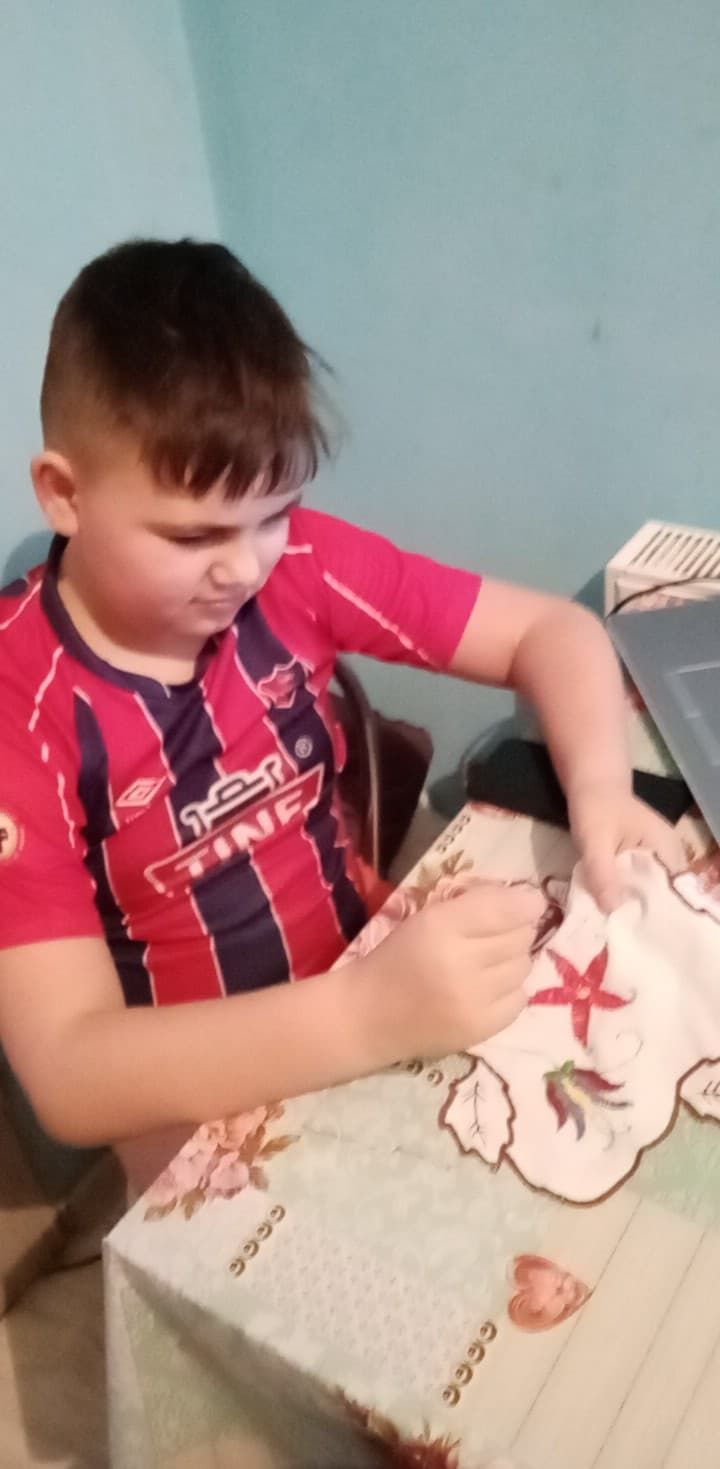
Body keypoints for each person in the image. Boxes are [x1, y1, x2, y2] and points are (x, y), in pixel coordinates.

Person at [0, 239, 683, 1193]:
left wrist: (601, 785)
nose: (243, 567)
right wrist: (365, 1013)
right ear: (65, 494)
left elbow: (553, 631)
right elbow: (71, 1073)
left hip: (373, 977)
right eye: (193, 534)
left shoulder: (297, 566)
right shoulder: (20, 705)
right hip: (195, 1096)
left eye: (273, 512)